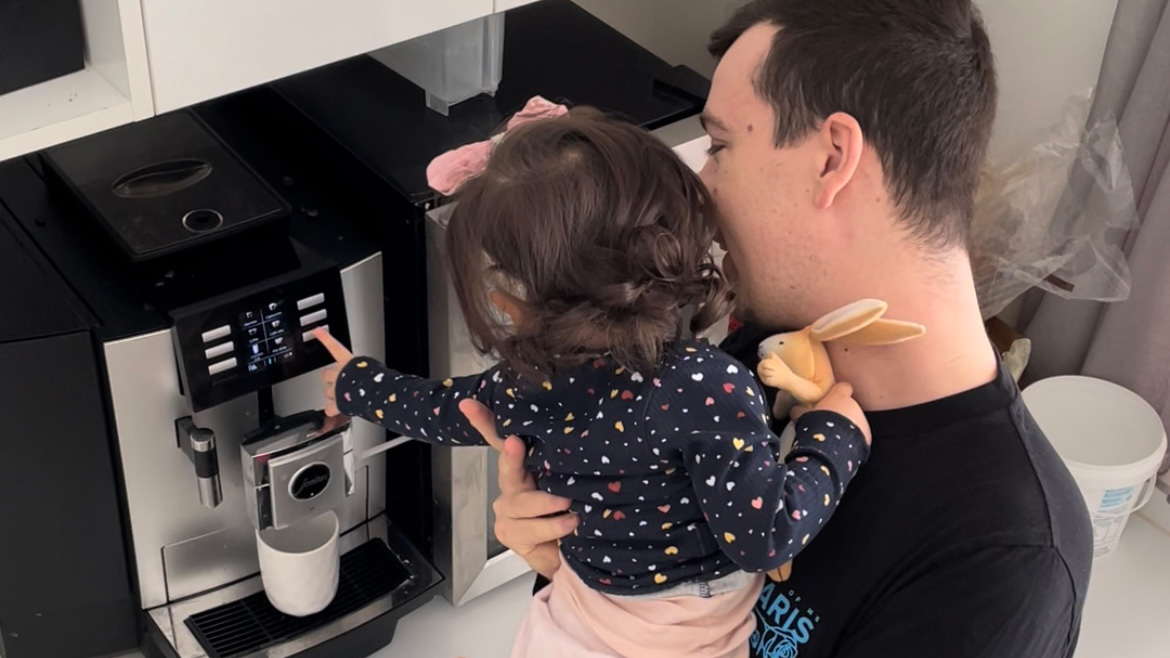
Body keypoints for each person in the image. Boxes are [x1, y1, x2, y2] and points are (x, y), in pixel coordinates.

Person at [471, 2, 1095, 657]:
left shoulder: (1002, 565)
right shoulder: (750, 360)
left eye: (719, 146)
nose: (699, 191)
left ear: (833, 158)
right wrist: (575, 579)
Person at [314, 102, 871, 658]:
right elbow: (764, 535)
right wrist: (831, 438)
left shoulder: (523, 383)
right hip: (683, 635)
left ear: (508, 302)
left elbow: (440, 407)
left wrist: (355, 383)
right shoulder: (702, 381)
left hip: (575, 618)